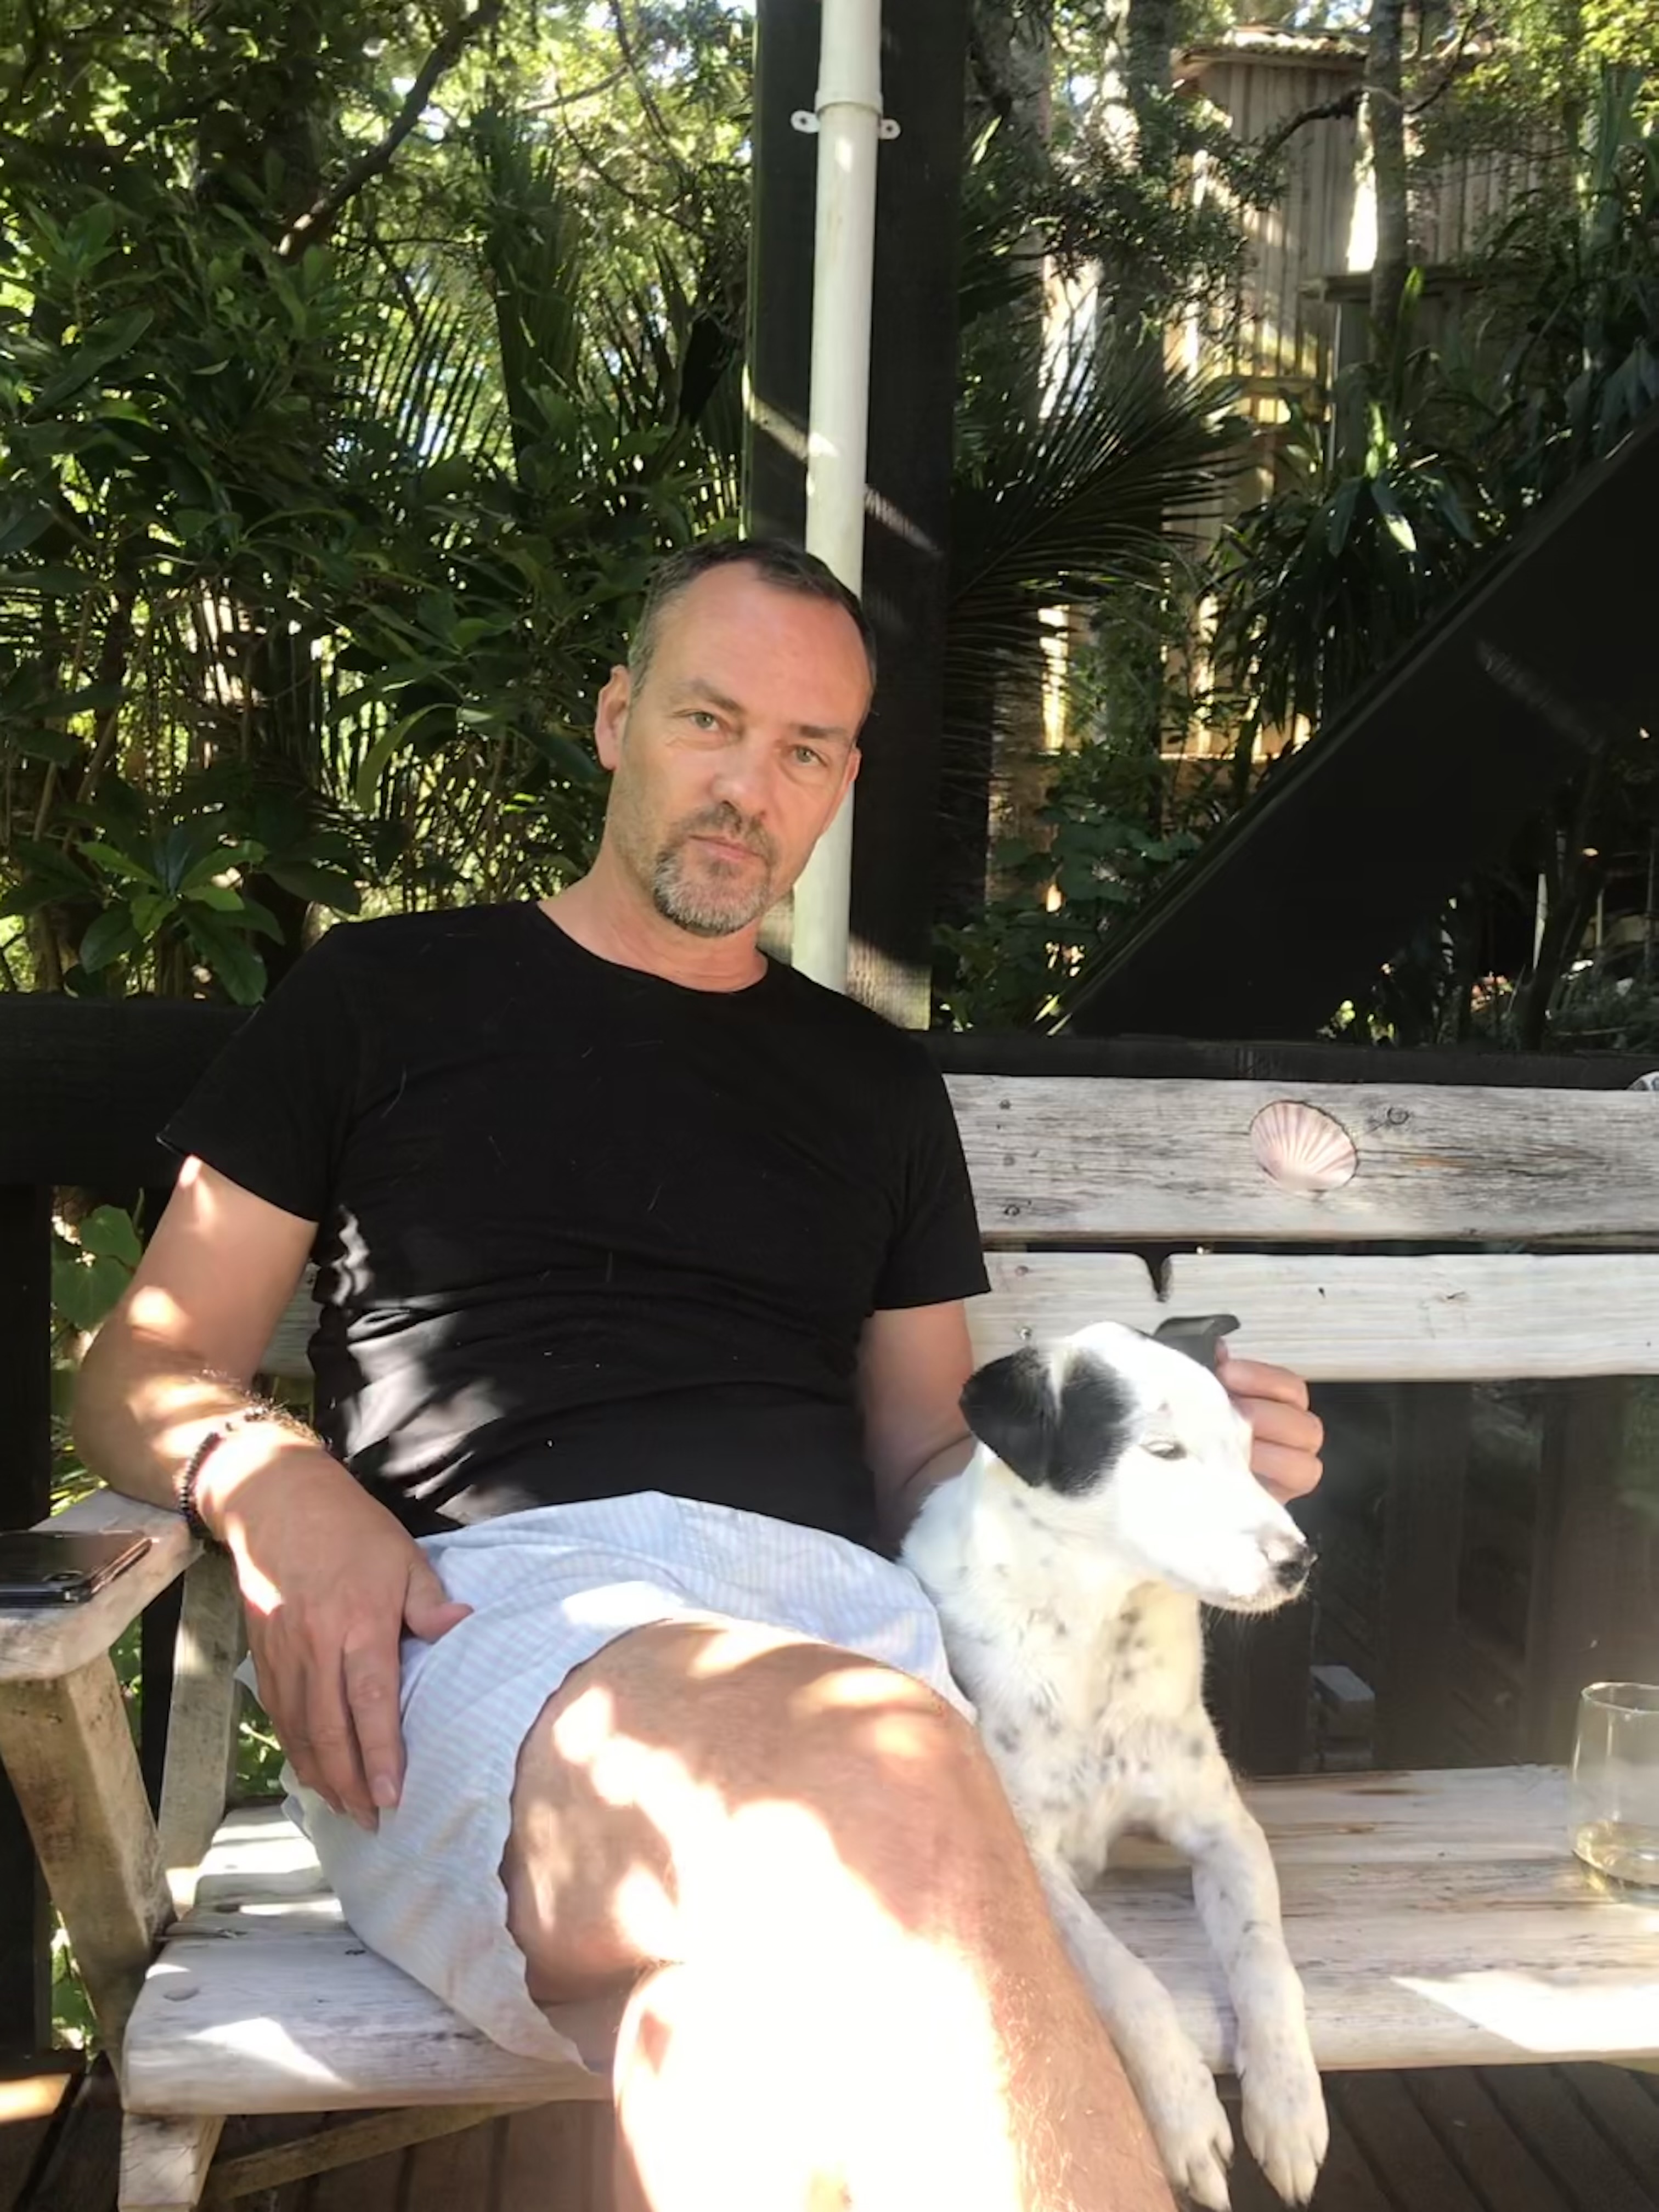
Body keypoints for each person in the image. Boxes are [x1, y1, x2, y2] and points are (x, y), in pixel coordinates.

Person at [76, 539, 1323, 2212]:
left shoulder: (874, 1088)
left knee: (729, 2038)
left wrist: (1171, 1476)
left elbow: (930, 1468)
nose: (749, 787)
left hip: (842, 1620)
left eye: (805, 750)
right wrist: (267, 1474)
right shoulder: (383, 998)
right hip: (494, 1627)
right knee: (887, 1779)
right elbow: (141, 1363)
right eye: (710, 722)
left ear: (841, 784)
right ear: (618, 720)